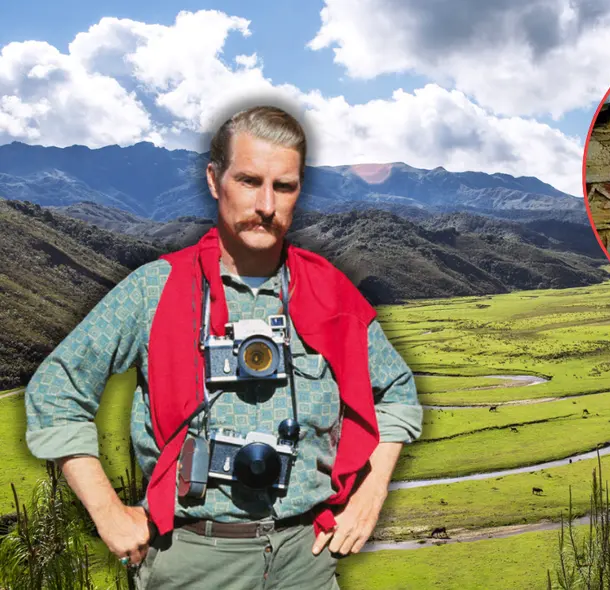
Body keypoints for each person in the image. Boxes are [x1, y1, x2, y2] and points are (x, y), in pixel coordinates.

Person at [23, 105, 423, 589]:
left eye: (284, 186)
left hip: (306, 559)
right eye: (249, 181)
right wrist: (108, 512)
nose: (266, 205)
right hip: (192, 558)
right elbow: (55, 391)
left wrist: (370, 495)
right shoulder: (156, 290)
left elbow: (397, 392)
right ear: (215, 180)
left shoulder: (331, 294)